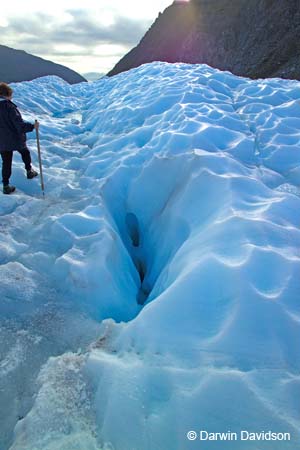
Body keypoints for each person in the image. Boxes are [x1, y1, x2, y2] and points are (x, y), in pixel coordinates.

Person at [0, 82, 39, 194]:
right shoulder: (9, 107)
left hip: (2, 141)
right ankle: (29, 171)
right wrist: (32, 126)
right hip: (15, 138)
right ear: (6, 94)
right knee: (25, 152)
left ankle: (6, 185)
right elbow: (19, 125)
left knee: (6, 162)